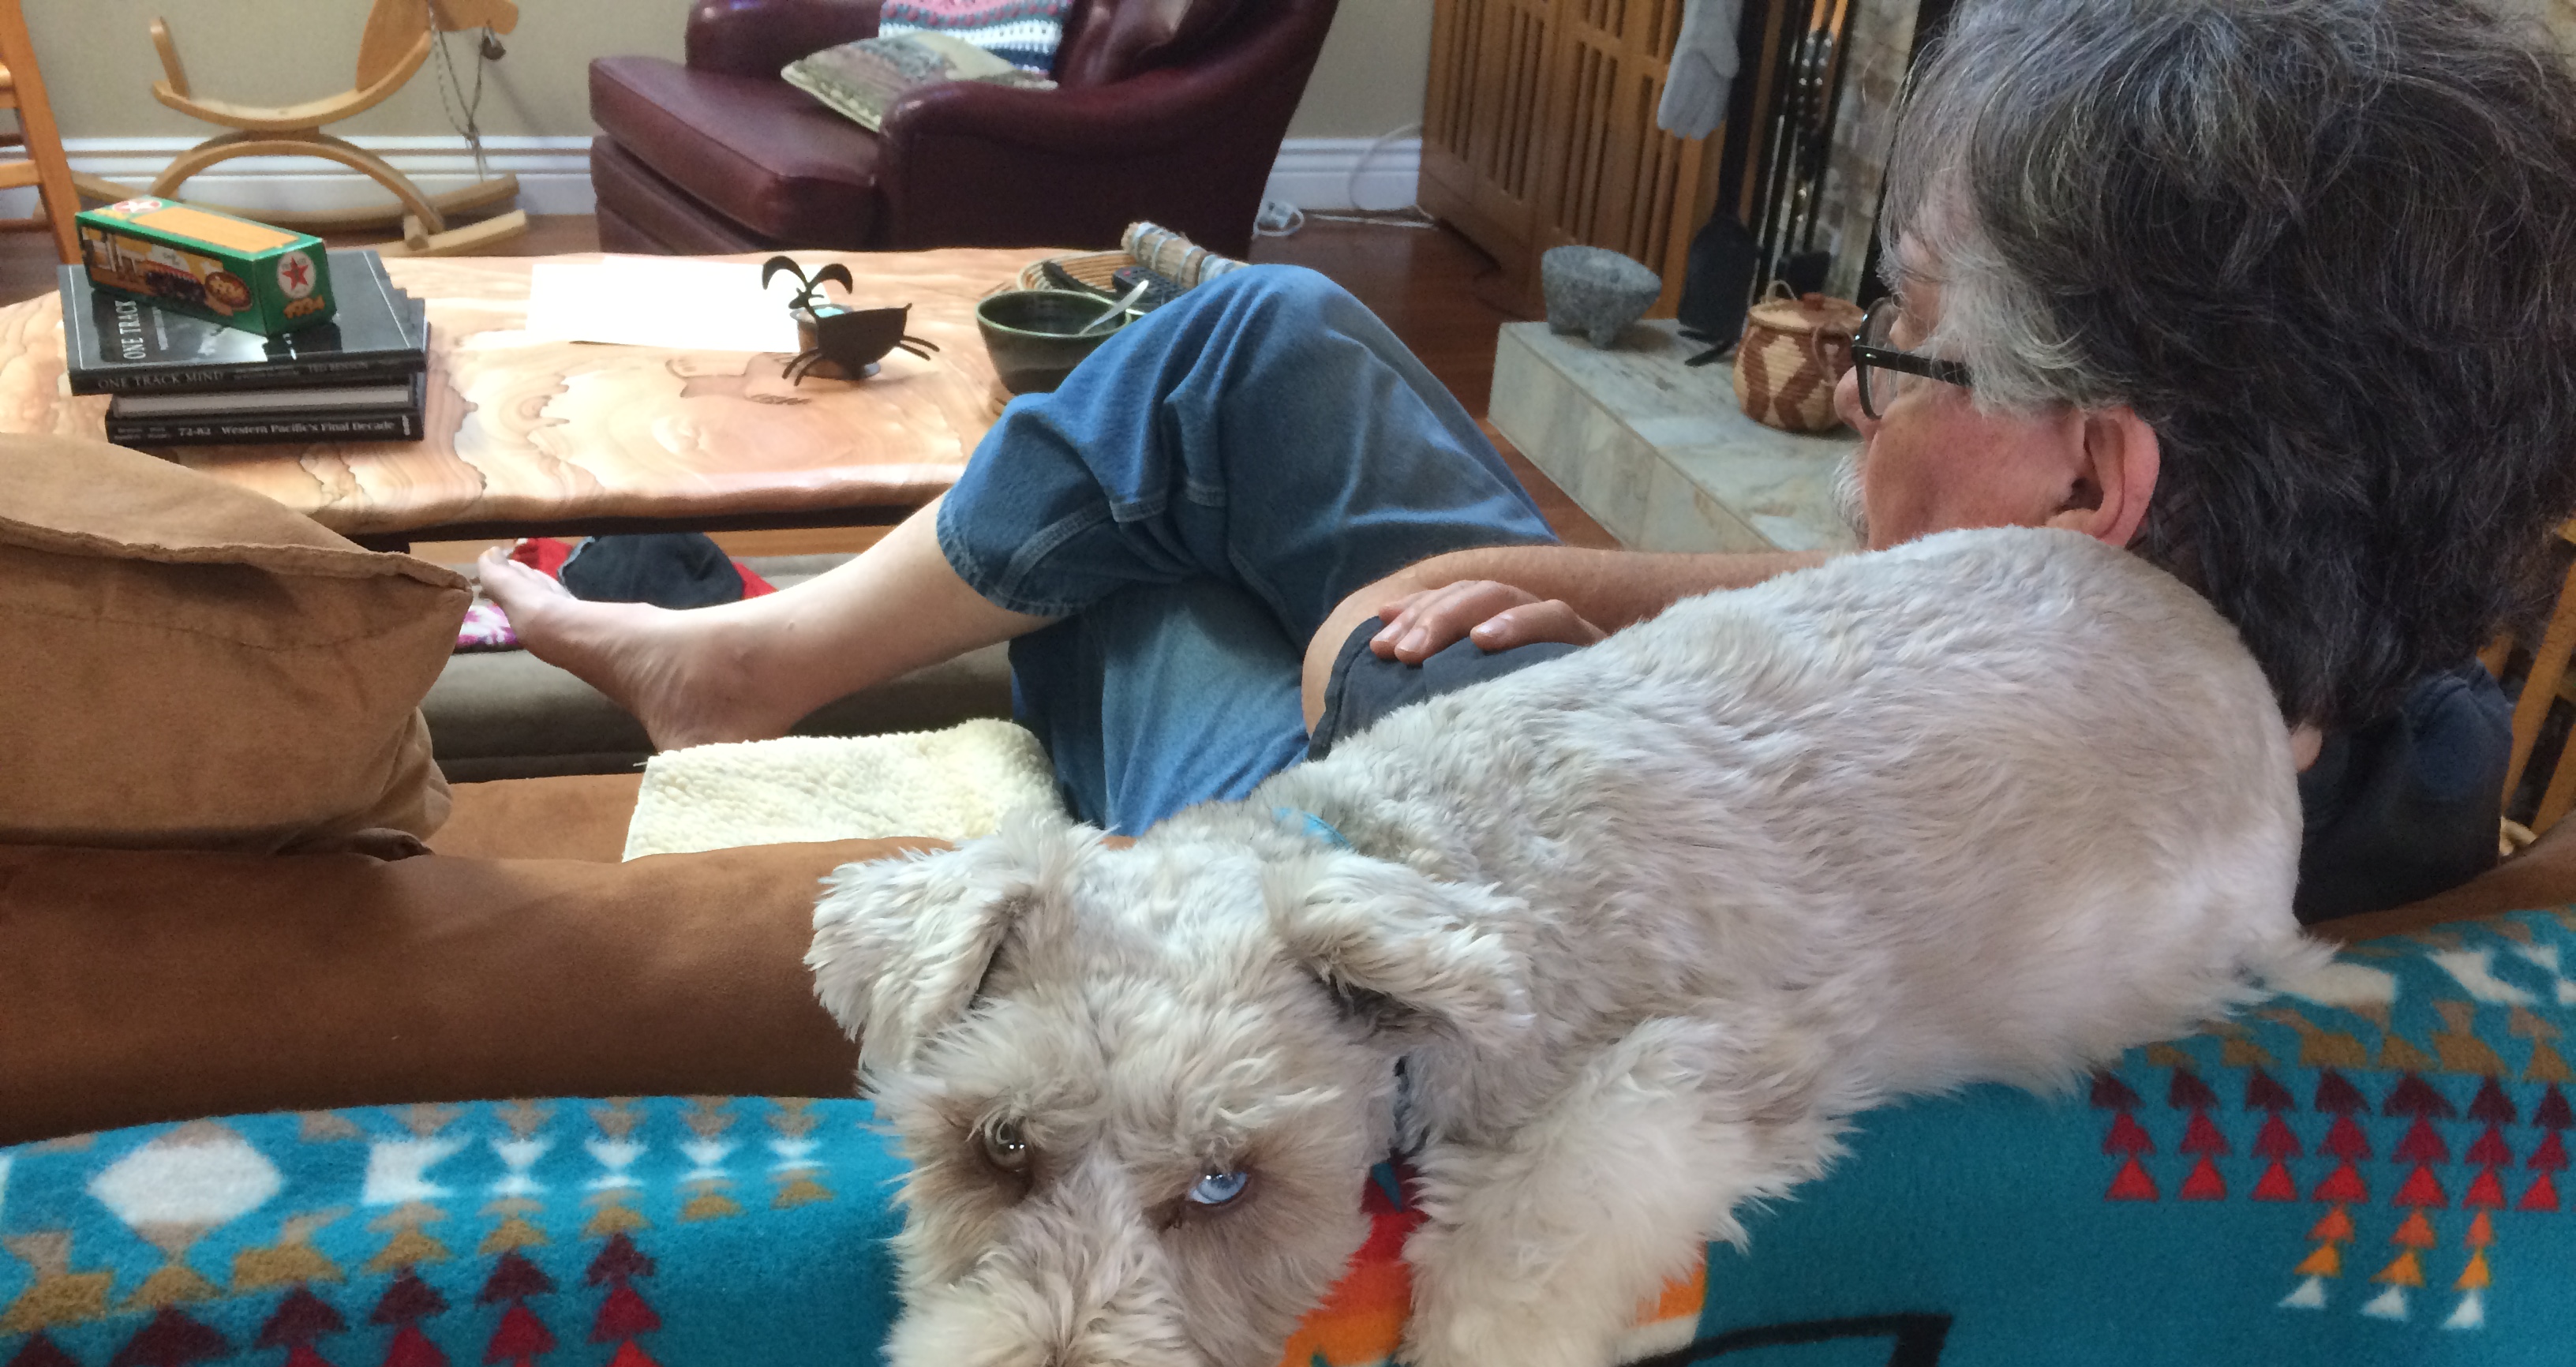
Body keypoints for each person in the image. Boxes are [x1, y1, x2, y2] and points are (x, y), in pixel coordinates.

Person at [481, 0, 2576, 923]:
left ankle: (747, 662)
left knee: (1142, 558)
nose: (1858, 394)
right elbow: (1965, 627)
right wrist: (1591, 582)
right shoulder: (2410, 745)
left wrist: (1477, 635)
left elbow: (1384, 694)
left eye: (1899, 342)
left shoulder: (1733, 827)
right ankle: (761, 649)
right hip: (1601, 742)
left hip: (1396, 844)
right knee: (1258, 337)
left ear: (2087, 481)